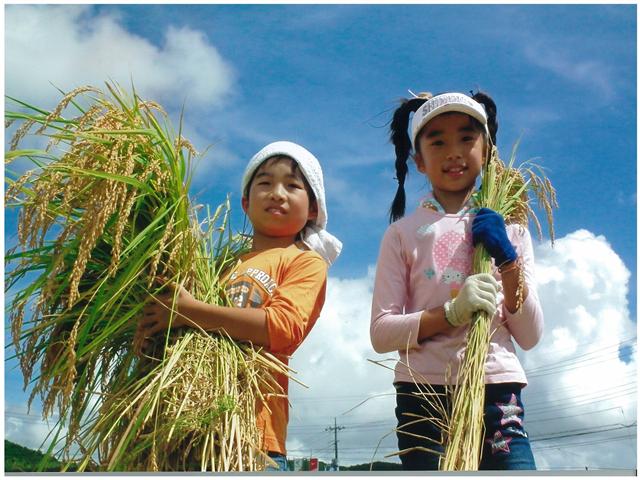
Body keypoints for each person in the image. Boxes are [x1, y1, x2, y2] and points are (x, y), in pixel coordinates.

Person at [135, 141, 342, 471]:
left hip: (252, 438)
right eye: (264, 183)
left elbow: (282, 327)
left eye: (292, 185)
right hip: (183, 429)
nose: (276, 193)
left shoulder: (305, 262)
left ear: (314, 209)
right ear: (245, 202)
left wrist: (188, 312)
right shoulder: (217, 265)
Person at [370, 91, 542, 470]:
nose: (454, 151)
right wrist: (451, 312)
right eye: (438, 141)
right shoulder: (402, 234)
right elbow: (382, 334)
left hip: (497, 388)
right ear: (418, 160)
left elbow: (529, 335)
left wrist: (507, 261)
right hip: (423, 393)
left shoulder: (511, 232)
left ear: (487, 149)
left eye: (467, 138)